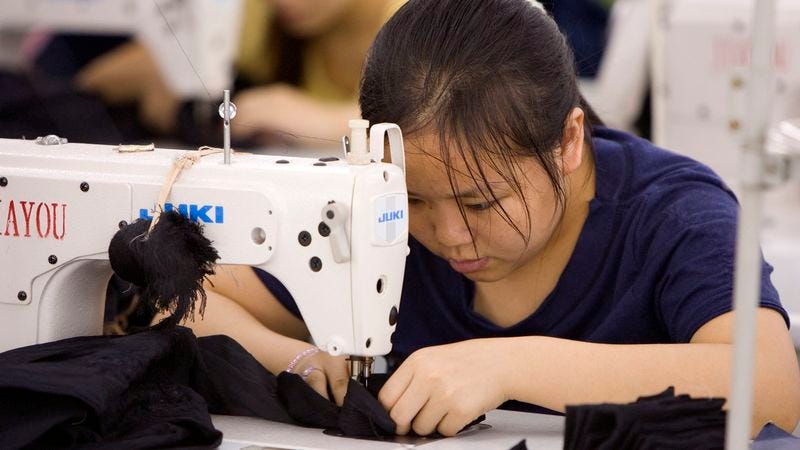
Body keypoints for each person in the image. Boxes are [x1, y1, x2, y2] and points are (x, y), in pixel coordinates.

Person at [165, 0, 800, 438]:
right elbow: (177, 288)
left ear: (568, 141)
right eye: (414, 200)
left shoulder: (673, 216)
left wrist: (506, 366)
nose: (448, 236)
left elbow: (770, 386)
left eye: (482, 202)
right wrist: (294, 360)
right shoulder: (376, 213)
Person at [76, 0, 403, 146]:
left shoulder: (416, 16)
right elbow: (104, 78)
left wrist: (321, 120)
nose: (282, 2)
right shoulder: (267, 14)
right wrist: (171, 81)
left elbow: (430, 117)